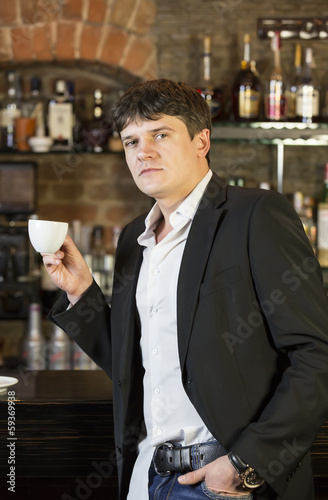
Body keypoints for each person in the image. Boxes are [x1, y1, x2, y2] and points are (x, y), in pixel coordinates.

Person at [44, 79, 328, 500]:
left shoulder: (255, 215)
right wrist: (82, 293)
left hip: (223, 481)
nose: (143, 152)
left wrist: (244, 465)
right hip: (146, 475)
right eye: (130, 141)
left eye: (160, 134)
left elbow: (316, 356)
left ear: (201, 141)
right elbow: (135, 366)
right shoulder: (131, 241)